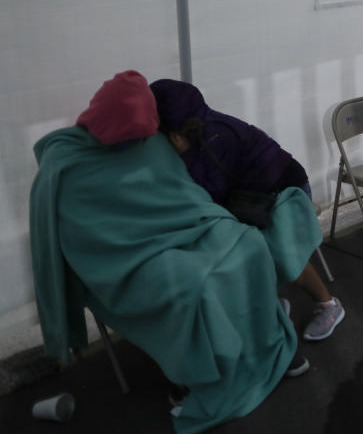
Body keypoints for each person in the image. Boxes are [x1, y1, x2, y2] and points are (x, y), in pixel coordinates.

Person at [30, 70, 318, 434]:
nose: (133, 145)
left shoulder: (150, 138)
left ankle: (267, 347)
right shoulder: (63, 162)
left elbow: (182, 194)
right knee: (192, 284)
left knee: (249, 246)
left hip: (184, 227)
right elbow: (79, 234)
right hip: (121, 257)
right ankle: (202, 377)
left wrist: (203, 222)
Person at [149, 78, 344, 342]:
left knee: (286, 257)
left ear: (172, 128)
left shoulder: (212, 137)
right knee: (248, 256)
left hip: (281, 188)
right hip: (251, 196)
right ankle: (273, 308)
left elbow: (212, 189)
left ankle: (329, 305)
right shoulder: (196, 129)